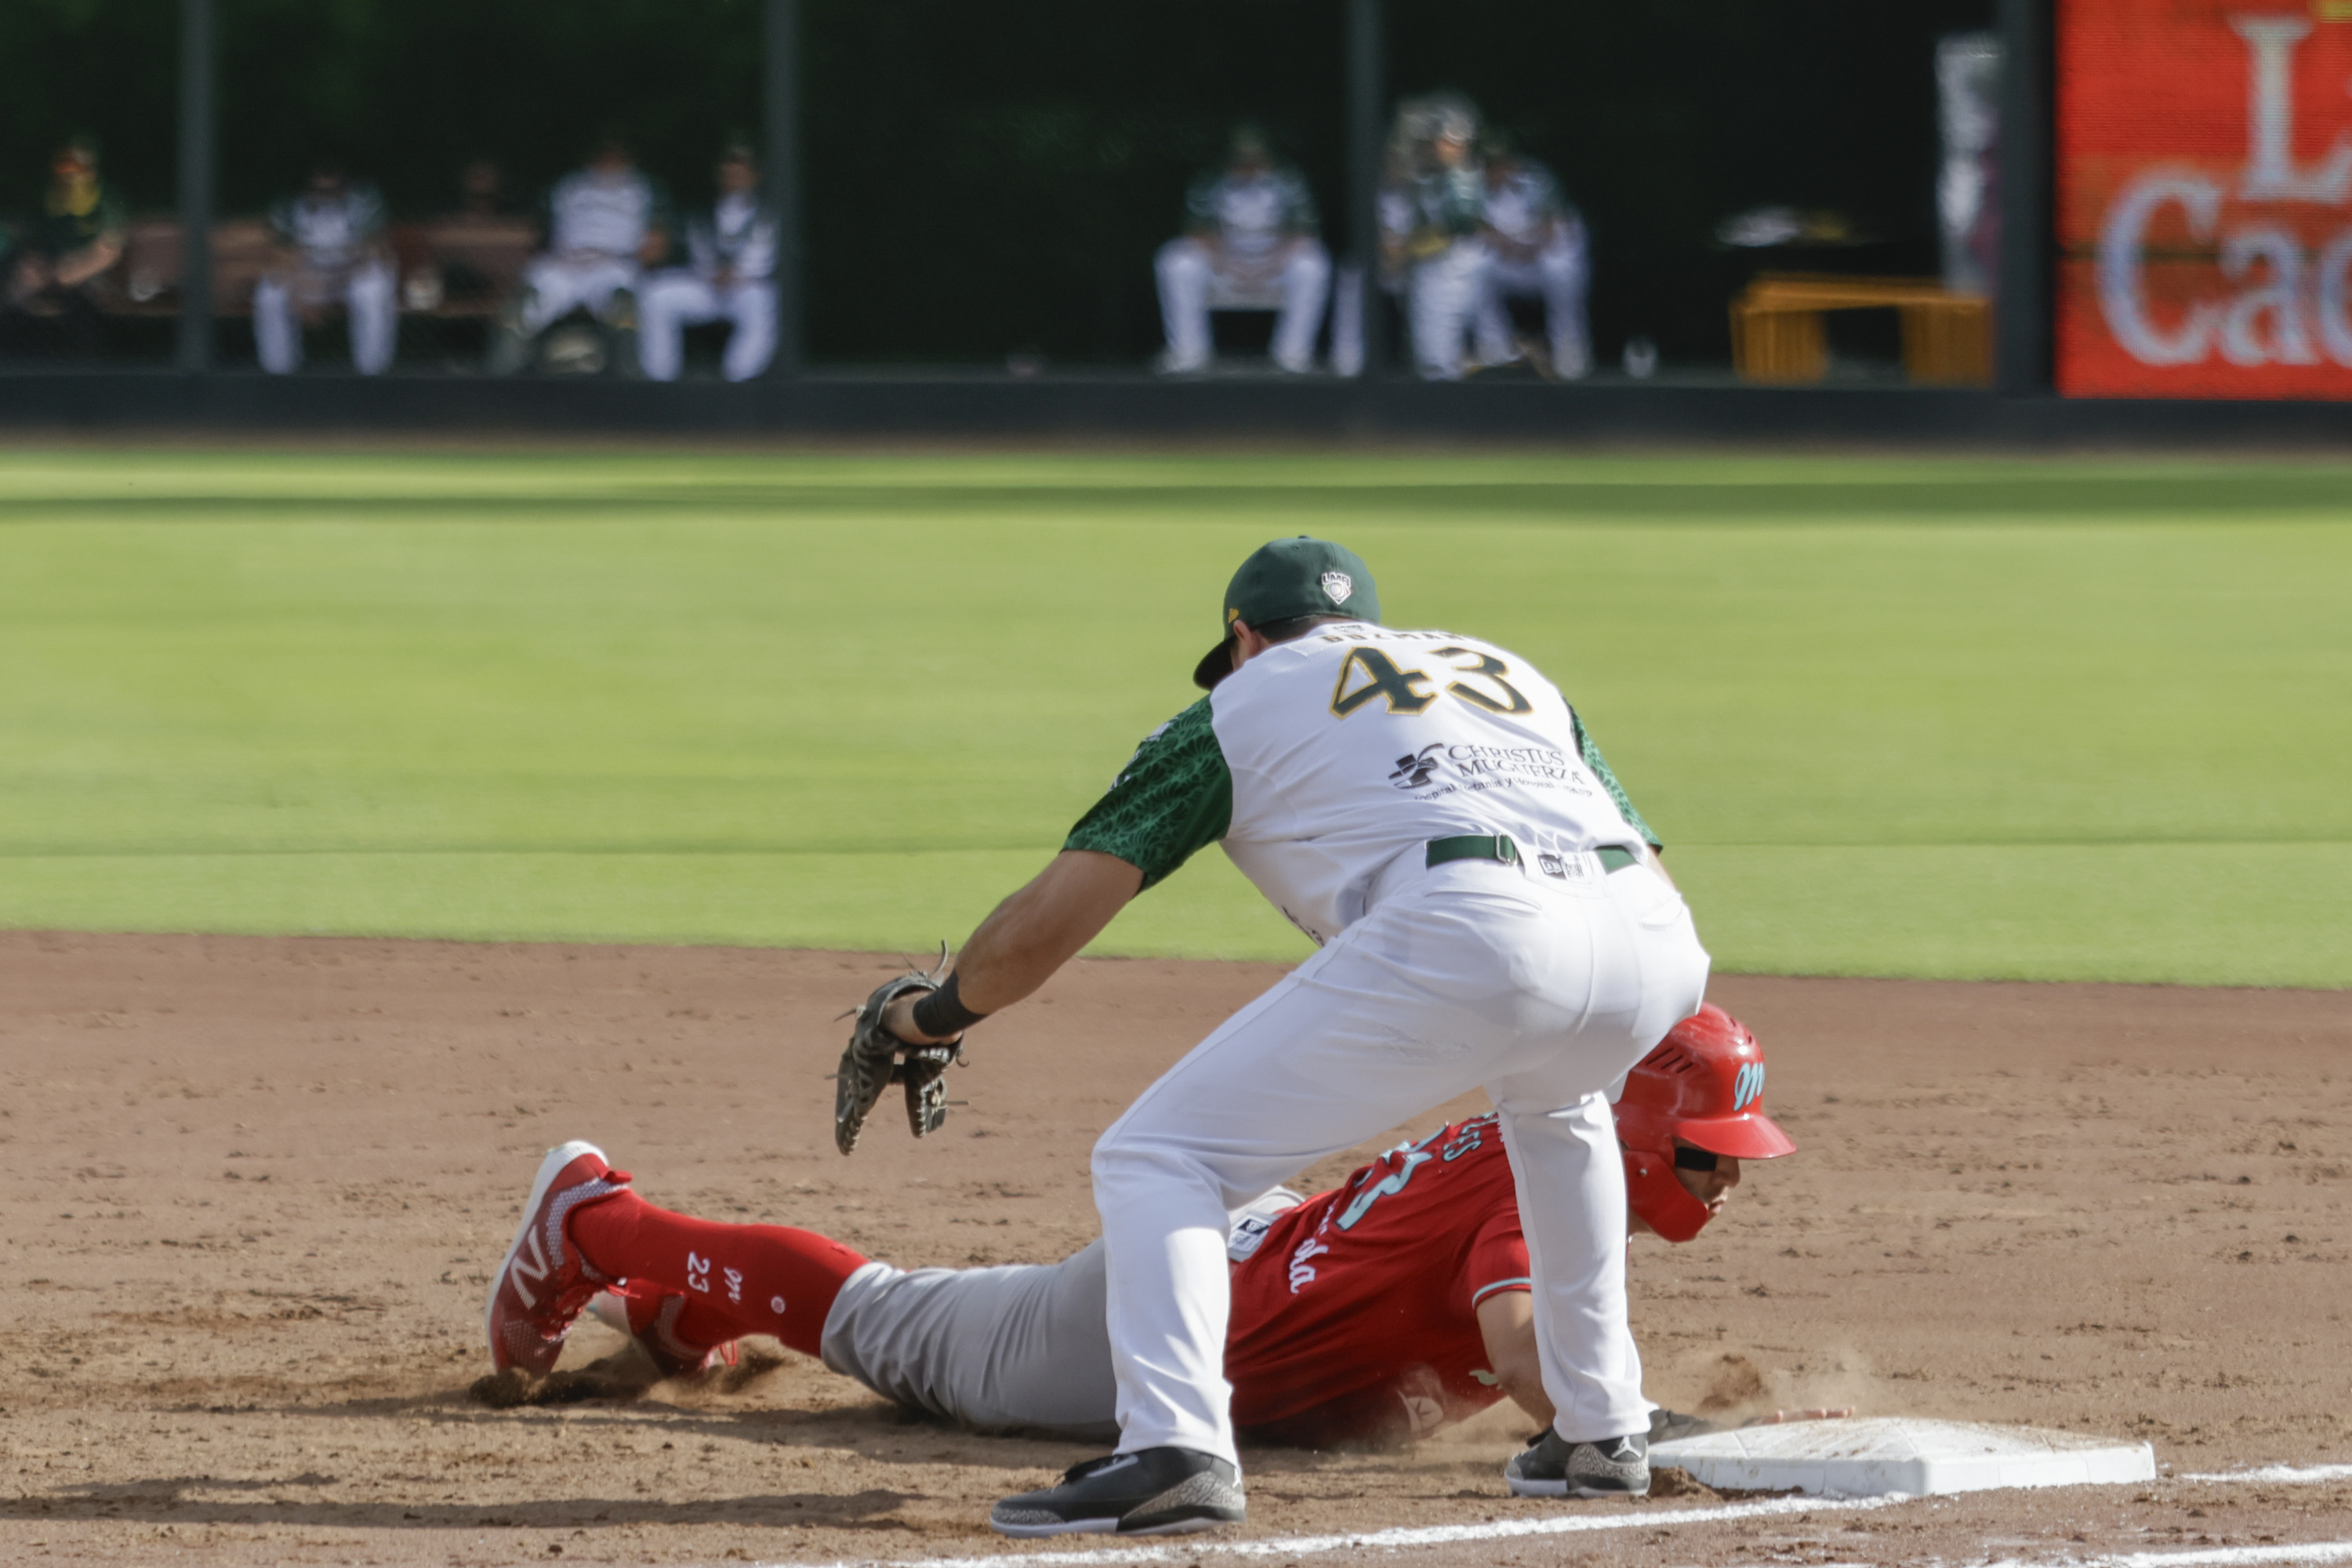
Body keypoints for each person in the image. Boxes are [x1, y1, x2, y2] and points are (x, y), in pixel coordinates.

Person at [834, 536, 1704, 1539]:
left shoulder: (1235, 705)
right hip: (1655, 937)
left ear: (1244, 636)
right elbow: (1645, 859)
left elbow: (1048, 923)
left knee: (1160, 1154)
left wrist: (931, 1014)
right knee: (1562, 1104)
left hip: (1475, 925)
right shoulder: (1508, 673)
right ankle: (1602, 1429)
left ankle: (1175, 1449)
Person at [484, 1009, 1795, 1459]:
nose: (1722, 1182)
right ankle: (599, 1220)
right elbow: (1526, 1362)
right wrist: (1636, 1425)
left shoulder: (1544, 1127)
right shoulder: (1550, 1178)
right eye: (1702, 1153)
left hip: (1268, 1249)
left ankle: (677, 1312)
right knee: (886, 1325)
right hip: (1169, 1321)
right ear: (1632, 1130)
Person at [1153, 125, 1330, 376]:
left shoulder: (1289, 182)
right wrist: (1229, 264)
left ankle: (1293, 356)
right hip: (1223, 266)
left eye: (1255, 160)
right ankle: (1189, 353)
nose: (1249, 168)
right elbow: (1197, 232)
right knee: (1175, 261)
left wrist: (1267, 265)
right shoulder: (1211, 181)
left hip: (1274, 267)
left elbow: (1304, 233)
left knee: (1313, 264)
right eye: (1242, 160)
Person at [487, 136, 670, 376]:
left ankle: (629, 387)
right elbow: (545, 233)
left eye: (616, 153)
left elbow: (657, 242)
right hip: (565, 265)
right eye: (603, 153)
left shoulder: (643, 189)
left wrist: (636, 260)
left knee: (624, 310)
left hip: (613, 265)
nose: (609, 159)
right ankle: (496, 385)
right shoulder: (569, 186)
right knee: (520, 311)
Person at [637, 144, 778, 383]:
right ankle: (661, 379)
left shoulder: (769, 214)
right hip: (709, 286)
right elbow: (698, 256)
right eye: (729, 173)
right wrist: (713, 274)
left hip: (749, 287)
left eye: (741, 173)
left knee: (767, 301)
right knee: (657, 295)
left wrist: (738, 275)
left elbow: (768, 259)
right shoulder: (703, 213)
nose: (734, 179)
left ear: (755, 177)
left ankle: (737, 379)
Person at [252, 163, 397, 376]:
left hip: (352, 273)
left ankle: (372, 372)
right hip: (307, 274)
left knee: (371, 291)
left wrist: (325, 288)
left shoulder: (364, 201)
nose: (326, 195)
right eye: (319, 189)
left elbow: (370, 253)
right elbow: (282, 254)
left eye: (333, 188)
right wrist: (300, 291)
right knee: (269, 294)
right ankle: (279, 372)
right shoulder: (288, 205)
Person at [1472, 131, 1592, 381]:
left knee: (1560, 269)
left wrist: (1525, 246)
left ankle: (1569, 356)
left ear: (1513, 162)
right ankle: (1496, 352)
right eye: (1489, 164)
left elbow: (1552, 226)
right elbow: (1479, 229)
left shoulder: (1538, 178)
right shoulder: (1473, 184)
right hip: (1508, 260)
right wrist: (1508, 244)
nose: (1496, 170)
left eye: (1501, 163)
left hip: (1540, 257)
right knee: (1475, 268)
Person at [1395, 97, 1492, 381]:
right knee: (1433, 359)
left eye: (1451, 143)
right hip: (1435, 268)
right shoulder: (1432, 177)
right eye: (1442, 142)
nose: (1441, 148)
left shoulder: (1463, 180)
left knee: (1441, 359)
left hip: (1455, 265)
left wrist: (1403, 249)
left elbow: (1451, 232)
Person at [2, 138, 125, 357]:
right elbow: (33, 245)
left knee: (82, 309)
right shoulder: (48, 201)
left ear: (92, 170)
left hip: (91, 283)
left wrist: (65, 273)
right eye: (65, 165)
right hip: (50, 278)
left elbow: (107, 253)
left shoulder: (106, 201)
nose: (70, 174)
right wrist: (33, 267)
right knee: (16, 299)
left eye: (78, 167)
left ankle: (83, 368)